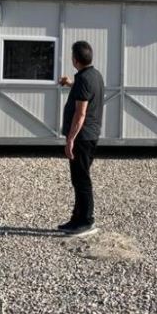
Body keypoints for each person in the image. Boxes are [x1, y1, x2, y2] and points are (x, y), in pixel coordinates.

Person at [57, 40, 105, 236]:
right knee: (78, 178)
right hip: (89, 135)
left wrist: (70, 139)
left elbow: (81, 113)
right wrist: (70, 84)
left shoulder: (85, 79)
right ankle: (76, 218)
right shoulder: (94, 76)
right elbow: (84, 92)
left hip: (83, 137)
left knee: (81, 179)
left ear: (75, 59)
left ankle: (87, 221)